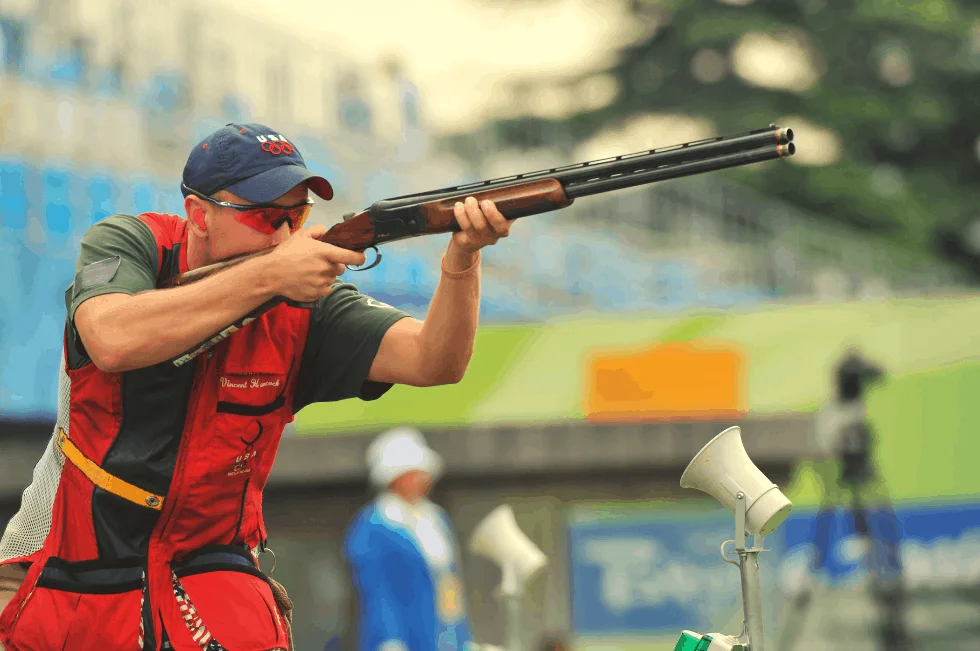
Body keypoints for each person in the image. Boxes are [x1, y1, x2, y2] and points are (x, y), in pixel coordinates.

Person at [0, 122, 513, 651]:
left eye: (299, 217)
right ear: (199, 215)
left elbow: (435, 360)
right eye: (269, 217)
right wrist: (270, 276)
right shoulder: (134, 244)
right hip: (73, 569)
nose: (287, 238)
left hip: (210, 570)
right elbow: (111, 338)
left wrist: (463, 261)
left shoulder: (305, 304)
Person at [343, 427, 475, 651]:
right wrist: (390, 640)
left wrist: (461, 633)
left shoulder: (435, 517)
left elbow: (449, 579)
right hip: (404, 635)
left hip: (445, 631)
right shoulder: (373, 525)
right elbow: (377, 592)